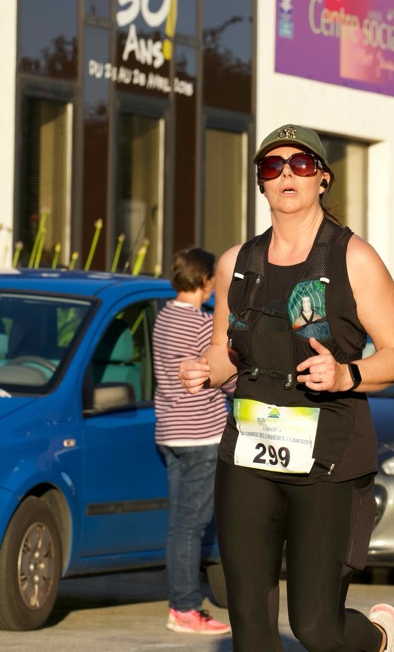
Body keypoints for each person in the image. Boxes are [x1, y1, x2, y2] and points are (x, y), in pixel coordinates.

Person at [180, 124, 394, 652]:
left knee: (316, 628)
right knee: (250, 623)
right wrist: (204, 370)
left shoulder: (353, 258)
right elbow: (226, 351)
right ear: (261, 183)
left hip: (328, 458)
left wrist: (347, 374)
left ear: (322, 178)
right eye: (273, 165)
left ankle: (377, 639)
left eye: (301, 164)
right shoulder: (235, 263)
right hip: (249, 452)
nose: (287, 173)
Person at [153, 247, 232, 635]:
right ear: (204, 280)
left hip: (169, 433)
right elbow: (226, 376)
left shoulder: (162, 318)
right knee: (192, 525)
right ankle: (184, 607)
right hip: (202, 435)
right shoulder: (203, 325)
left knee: (179, 524)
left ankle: (180, 604)